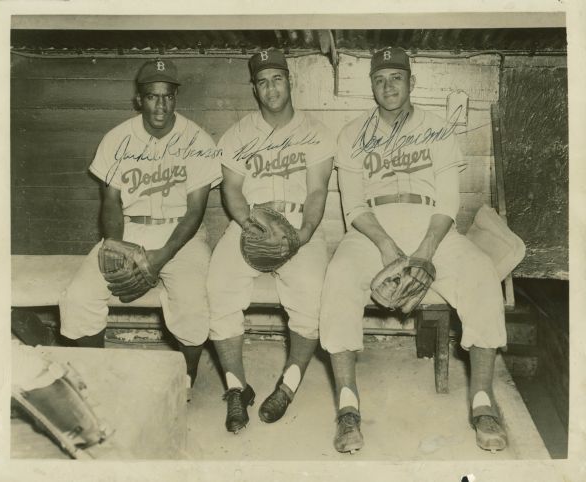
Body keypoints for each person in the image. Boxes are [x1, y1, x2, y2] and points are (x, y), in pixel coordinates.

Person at [319, 47, 508, 453]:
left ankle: (483, 403)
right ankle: (348, 407)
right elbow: (352, 207)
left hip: (431, 227)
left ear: (411, 82)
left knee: (481, 274)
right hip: (373, 230)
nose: (388, 86)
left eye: (396, 77)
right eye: (380, 79)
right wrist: (387, 245)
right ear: (372, 85)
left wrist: (424, 251)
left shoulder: (437, 127)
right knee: (337, 278)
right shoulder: (352, 133)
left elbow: (447, 203)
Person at [59, 59, 222, 393]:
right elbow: (111, 203)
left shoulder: (198, 139)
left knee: (192, 305)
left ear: (175, 98)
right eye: (152, 96)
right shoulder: (116, 138)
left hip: (182, 235)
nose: (160, 104)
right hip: (129, 229)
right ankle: (99, 375)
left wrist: (161, 258)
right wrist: (116, 245)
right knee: (77, 298)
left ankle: (186, 378)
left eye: (167, 96)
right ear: (139, 100)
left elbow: (194, 212)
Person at [207, 48, 335, 433]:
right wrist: (248, 224)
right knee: (218, 285)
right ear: (254, 88)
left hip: (299, 221)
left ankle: (289, 382)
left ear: (289, 81)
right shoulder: (239, 133)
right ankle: (235, 388)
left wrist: (303, 235)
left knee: (312, 294)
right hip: (252, 221)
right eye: (262, 82)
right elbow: (231, 190)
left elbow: (317, 192)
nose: (270, 88)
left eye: (276, 78)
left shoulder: (316, 132)